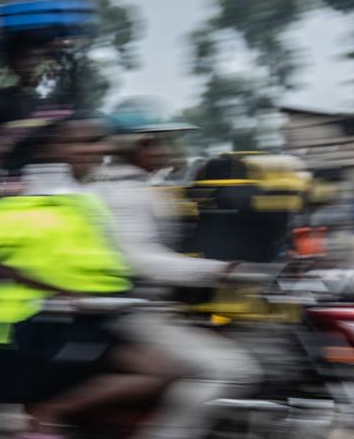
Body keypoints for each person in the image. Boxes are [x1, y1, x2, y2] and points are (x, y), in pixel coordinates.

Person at [0, 109, 180, 436]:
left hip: (77, 319)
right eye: (85, 142)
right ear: (55, 148)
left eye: (99, 141)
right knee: (154, 371)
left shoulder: (86, 195)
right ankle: (45, 415)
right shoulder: (42, 191)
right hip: (30, 326)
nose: (98, 150)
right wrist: (57, 290)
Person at [93, 116, 262, 439]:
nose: (167, 149)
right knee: (231, 371)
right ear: (135, 147)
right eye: (158, 141)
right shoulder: (123, 193)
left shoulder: (143, 187)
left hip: (157, 305)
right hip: (133, 311)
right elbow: (139, 260)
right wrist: (218, 271)